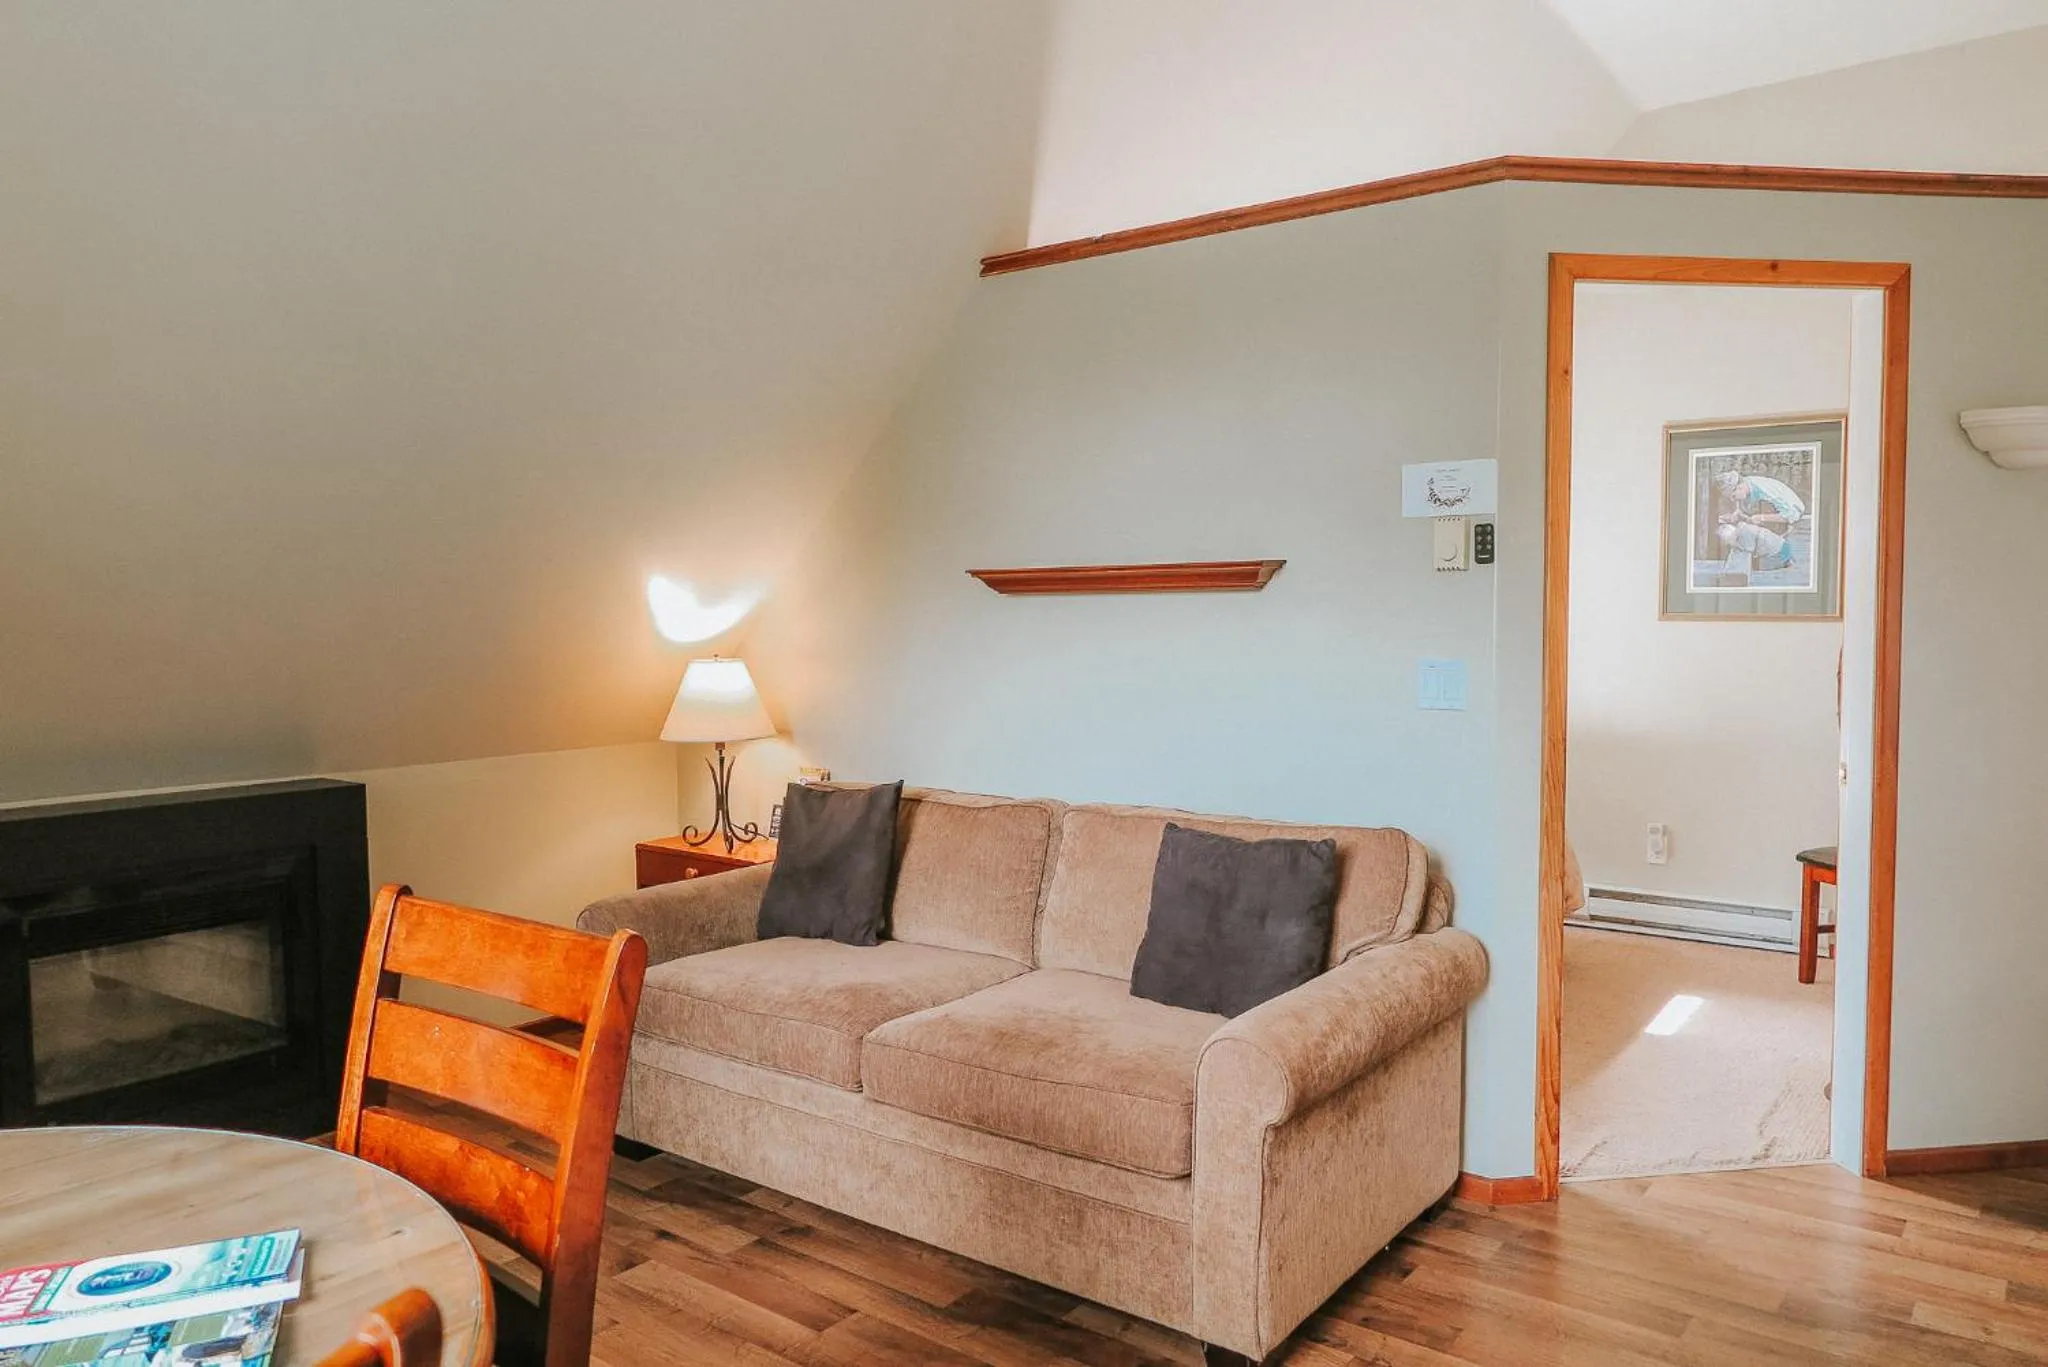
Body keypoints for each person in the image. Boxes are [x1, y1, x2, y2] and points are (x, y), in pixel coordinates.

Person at [1713, 470, 1805, 577]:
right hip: (1773, 526)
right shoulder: (1746, 485)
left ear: (1740, 487)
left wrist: (1762, 518)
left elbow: (1792, 515)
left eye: (1733, 496)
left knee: (1746, 534)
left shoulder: (1764, 492)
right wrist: (1736, 514)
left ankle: (1780, 556)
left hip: (1791, 517)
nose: (1733, 500)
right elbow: (1745, 509)